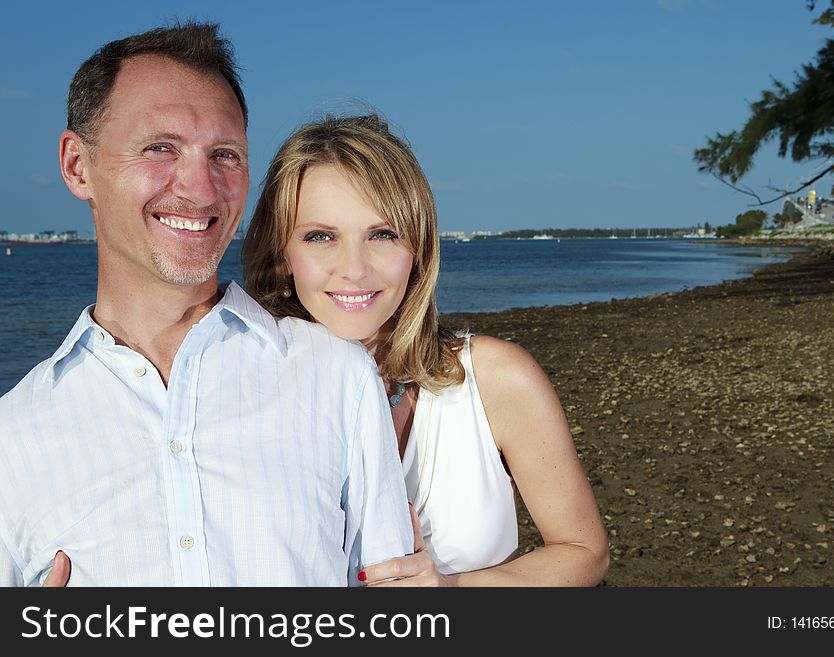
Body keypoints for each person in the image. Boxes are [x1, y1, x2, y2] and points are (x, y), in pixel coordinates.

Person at [0, 24, 411, 586]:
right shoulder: (13, 437)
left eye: (224, 154)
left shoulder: (337, 379)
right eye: (160, 148)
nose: (200, 188)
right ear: (77, 166)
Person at [242, 114, 610, 586]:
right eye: (321, 236)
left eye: (382, 234)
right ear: (281, 253)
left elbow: (584, 551)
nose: (353, 269)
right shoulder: (237, 393)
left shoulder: (496, 379)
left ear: (418, 247)